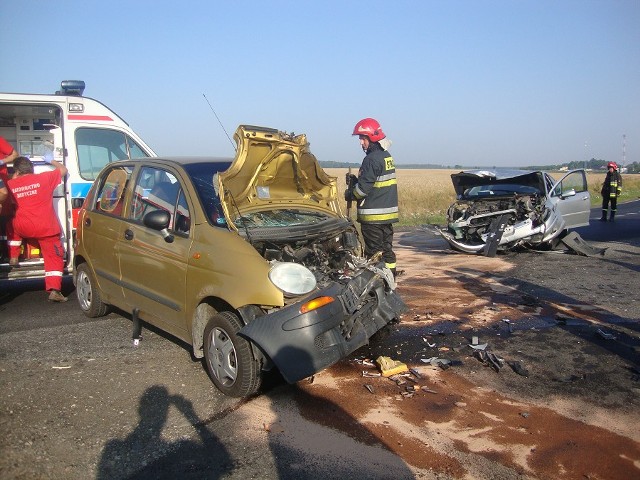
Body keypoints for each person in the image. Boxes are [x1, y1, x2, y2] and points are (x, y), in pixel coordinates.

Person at [7, 156, 69, 302]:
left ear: (17, 171)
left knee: (12, 224)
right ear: (32, 169)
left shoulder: (11, 184)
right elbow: (63, 170)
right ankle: (54, 291)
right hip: (45, 228)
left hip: (23, 227)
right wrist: (51, 160)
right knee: (53, 257)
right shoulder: (45, 178)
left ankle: (13, 256)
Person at [345, 117, 399, 278]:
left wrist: (349, 193)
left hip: (372, 218)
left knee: (374, 254)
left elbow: (362, 191)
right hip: (387, 217)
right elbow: (374, 183)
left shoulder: (371, 159)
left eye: (362, 138)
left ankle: (376, 284)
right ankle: (391, 279)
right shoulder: (386, 156)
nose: (361, 143)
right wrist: (356, 181)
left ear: (372, 137)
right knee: (387, 251)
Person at [0, 136, 19, 262]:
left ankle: (6, 254)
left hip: (2, 187)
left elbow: (15, 155)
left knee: (4, 225)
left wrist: (2, 161)